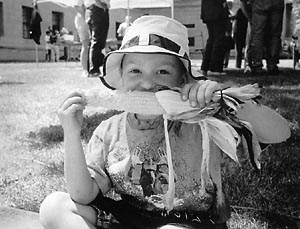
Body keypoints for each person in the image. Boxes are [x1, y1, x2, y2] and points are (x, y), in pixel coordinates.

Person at [39, 15, 230, 229]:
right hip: (131, 217)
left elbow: (275, 131)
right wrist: (71, 133)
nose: (147, 84)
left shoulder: (203, 123)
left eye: (162, 72)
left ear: (183, 80)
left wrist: (222, 99)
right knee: (54, 205)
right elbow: (83, 195)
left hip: (190, 221)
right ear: (121, 78)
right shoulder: (109, 130)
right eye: (135, 71)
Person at [250, 0, 285, 75]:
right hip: (277, 3)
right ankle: (272, 65)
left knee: (258, 34)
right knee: (275, 34)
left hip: (260, 4)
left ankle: (257, 65)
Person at [200, 0, 228, 76]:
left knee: (212, 39)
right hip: (218, 11)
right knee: (219, 39)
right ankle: (214, 68)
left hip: (207, 11)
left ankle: (205, 67)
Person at [84, 0, 110, 76]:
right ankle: (93, 69)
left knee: (101, 41)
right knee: (96, 40)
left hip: (101, 9)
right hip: (96, 8)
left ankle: (96, 67)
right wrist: (101, 5)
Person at [74, 0, 90, 77]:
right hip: (83, 21)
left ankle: (90, 67)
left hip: (89, 20)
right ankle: (85, 70)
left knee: (91, 45)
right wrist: (86, 18)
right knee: (85, 44)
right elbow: (77, 7)